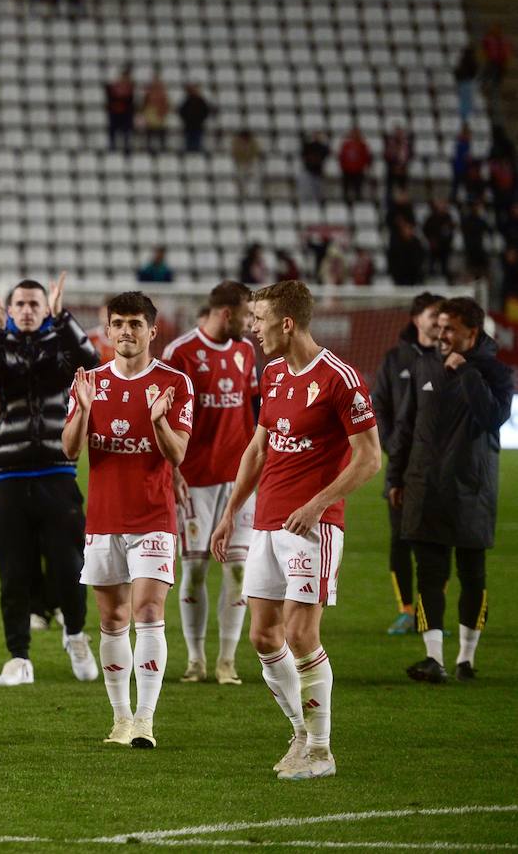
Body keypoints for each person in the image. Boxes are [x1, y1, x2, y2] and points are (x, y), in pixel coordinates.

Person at [210, 280, 381, 781]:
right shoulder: (274, 373)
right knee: (264, 637)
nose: (252, 327)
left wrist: (319, 503)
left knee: (302, 633)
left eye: (259, 319)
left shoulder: (340, 378)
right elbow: (259, 450)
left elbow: (370, 458)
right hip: (265, 522)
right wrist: (230, 513)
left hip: (314, 527)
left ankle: (322, 751)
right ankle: (301, 735)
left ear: (287, 323)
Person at [62, 292, 193, 749]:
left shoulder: (174, 382)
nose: (125, 332)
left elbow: (178, 452)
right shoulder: (90, 381)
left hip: (154, 519)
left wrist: (158, 421)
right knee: (113, 619)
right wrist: (82, 407)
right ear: (108, 329)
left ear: (152, 331)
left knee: (149, 612)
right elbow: (70, 449)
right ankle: (119, 719)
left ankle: (145, 719)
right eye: (118, 323)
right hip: (103, 520)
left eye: (135, 324)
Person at [0, 274, 102, 687]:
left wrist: (63, 320)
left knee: (70, 567)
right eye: (20, 305)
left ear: (46, 309)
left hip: (57, 474)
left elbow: (93, 366)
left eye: (35, 304)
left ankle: (76, 635)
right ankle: (18, 658)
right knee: (13, 572)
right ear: (8, 311)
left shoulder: (59, 348)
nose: (27, 311)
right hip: (8, 478)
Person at [390, 298, 512, 683]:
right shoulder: (423, 365)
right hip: (425, 488)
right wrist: (394, 476)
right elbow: (406, 428)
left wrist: (468, 374)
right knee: (429, 574)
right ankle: (434, 659)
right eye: (439, 327)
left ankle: (466, 658)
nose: (440, 335)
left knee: (473, 575)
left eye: (449, 329)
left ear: (471, 333)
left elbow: (494, 418)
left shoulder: (495, 371)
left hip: (473, 490)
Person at [161, 282, 258, 686]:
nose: (253, 323)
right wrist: (174, 471)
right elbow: (163, 420)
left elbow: (251, 412)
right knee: (196, 568)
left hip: (239, 479)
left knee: (238, 570)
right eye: (247, 315)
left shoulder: (247, 351)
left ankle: (227, 661)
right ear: (226, 314)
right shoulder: (179, 353)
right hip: (195, 478)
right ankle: (197, 659)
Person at [373, 292, 443, 637]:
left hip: (441, 469)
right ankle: (404, 610)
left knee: (438, 541)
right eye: (433, 314)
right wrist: (390, 447)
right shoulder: (395, 358)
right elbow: (380, 406)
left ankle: (432, 612)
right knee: (400, 540)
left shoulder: (452, 358)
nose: (438, 321)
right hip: (401, 464)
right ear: (417, 318)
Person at [422, 198, 456, 281]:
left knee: (445, 268)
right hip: (434, 247)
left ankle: (448, 285)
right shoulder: (431, 218)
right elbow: (425, 230)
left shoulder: (448, 217)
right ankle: (429, 282)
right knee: (431, 267)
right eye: (440, 204)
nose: (442, 206)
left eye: (443, 204)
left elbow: (451, 231)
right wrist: (431, 240)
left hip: (445, 247)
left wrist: (448, 241)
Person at [388, 217, 427, 286]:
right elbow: (392, 260)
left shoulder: (417, 243)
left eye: (410, 228)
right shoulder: (396, 243)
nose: (408, 231)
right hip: (400, 277)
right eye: (406, 228)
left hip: (414, 276)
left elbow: (421, 258)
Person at [105, 66, 135, 154]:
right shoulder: (114, 87)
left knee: (127, 131)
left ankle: (126, 147)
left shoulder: (130, 87)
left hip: (126, 114)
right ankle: (112, 146)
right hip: (115, 113)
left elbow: (130, 101)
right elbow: (110, 98)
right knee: (113, 130)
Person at [338, 128, 372, 204]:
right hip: (347, 170)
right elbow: (341, 157)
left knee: (358, 190)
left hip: (359, 171)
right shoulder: (346, 145)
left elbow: (367, 157)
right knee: (346, 190)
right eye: (353, 134)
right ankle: (345, 204)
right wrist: (343, 167)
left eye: (356, 134)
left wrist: (364, 166)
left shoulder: (363, 145)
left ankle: (358, 205)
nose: (354, 135)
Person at [382, 124, 414, 202]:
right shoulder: (390, 143)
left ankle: (403, 203)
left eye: (400, 132)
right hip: (391, 170)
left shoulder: (406, 144)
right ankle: (389, 203)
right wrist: (394, 166)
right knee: (389, 190)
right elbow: (386, 155)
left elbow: (410, 155)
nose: (398, 134)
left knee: (403, 189)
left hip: (403, 170)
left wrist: (402, 166)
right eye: (397, 132)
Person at [461, 199, 491, 280]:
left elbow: (489, 230)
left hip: (480, 249)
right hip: (471, 249)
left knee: (483, 270)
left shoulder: (481, 220)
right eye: (476, 206)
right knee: (471, 271)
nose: (478, 208)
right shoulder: (466, 220)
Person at [178, 85, 213, 154]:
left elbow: (206, 111)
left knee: (197, 143)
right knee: (189, 144)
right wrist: (186, 119)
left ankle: (197, 155)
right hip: (188, 126)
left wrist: (201, 119)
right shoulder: (187, 101)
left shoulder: (201, 101)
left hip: (198, 126)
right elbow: (181, 111)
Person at [141, 73, 170, 152]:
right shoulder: (148, 94)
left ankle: (163, 148)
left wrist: (162, 112)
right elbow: (144, 105)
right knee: (150, 133)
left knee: (161, 132)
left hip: (159, 115)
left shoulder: (163, 93)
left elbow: (166, 105)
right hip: (150, 115)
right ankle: (149, 148)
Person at [298, 132, 330, 204]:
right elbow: (303, 151)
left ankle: (319, 202)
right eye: (315, 136)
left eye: (318, 136)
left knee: (319, 190)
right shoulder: (310, 146)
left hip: (318, 172)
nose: (317, 137)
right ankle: (306, 202)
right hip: (309, 171)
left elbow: (327, 152)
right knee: (307, 189)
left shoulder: (322, 147)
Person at [231, 129, 263, 197]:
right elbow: (235, 153)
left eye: (246, 138)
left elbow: (256, 152)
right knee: (240, 178)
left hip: (250, 163)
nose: (245, 139)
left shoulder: (253, 142)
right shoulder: (236, 142)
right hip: (240, 163)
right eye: (243, 138)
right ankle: (241, 193)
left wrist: (249, 156)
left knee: (254, 176)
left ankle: (254, 193)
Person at [454, 46, 479, 123]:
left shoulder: (463, 61)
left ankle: (464, 118)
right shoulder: (470, 61)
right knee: (466, 100)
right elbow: (474, 71)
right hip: (467, 82)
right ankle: (465, 118)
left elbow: (457, 72)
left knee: (465, 100)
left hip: (464, 82)